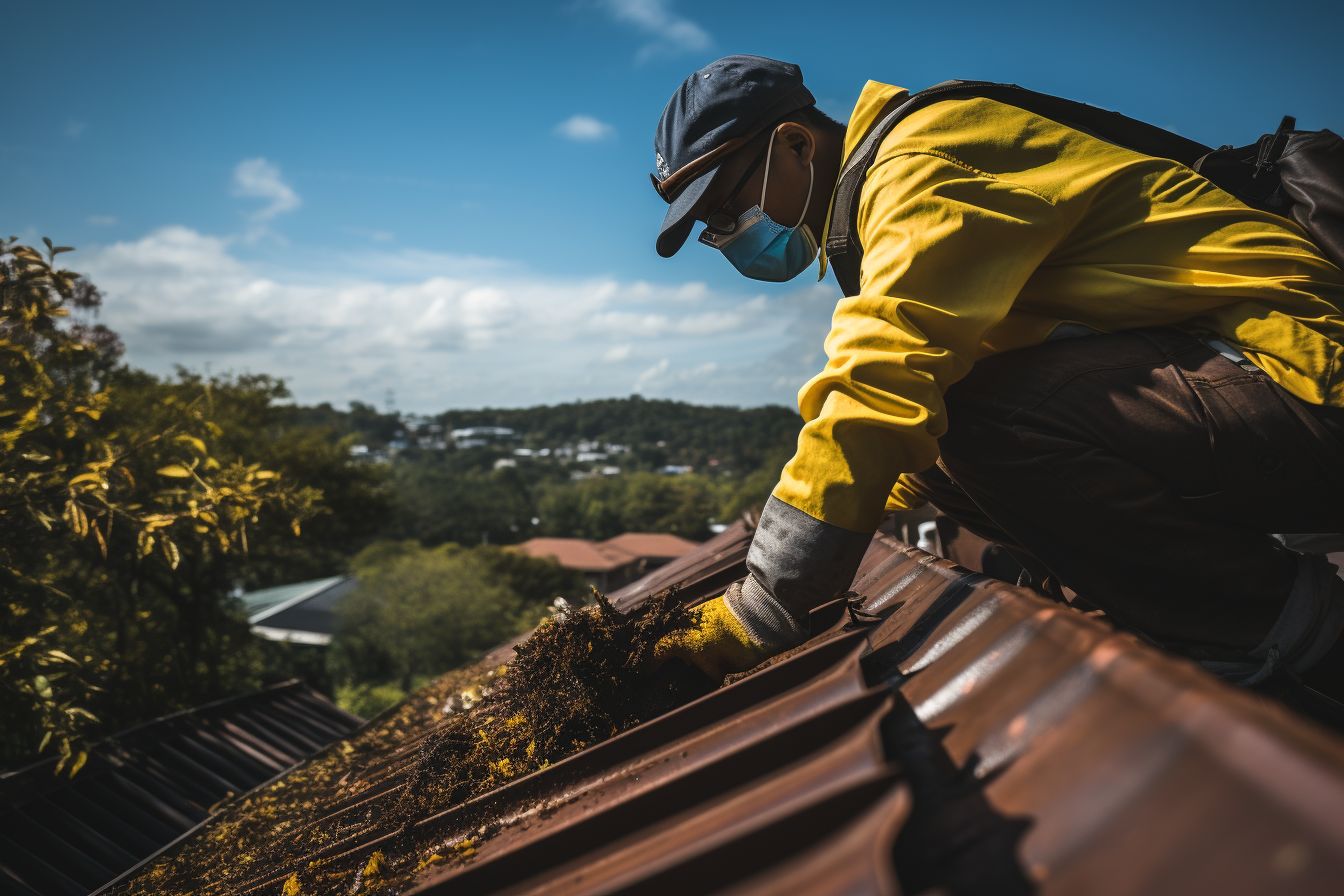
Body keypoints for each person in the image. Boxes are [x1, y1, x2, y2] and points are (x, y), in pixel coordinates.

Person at [648, 55, 1344, 689]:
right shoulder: (885, 191)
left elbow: (879, 381)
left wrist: (764, 604)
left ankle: (1285, 633)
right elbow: (900, 420)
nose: (728, 236)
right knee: (945, 440)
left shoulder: (920, 166)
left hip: (1300, 371)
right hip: (1242, 383)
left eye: (725, 210)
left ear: (795, 145)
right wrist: (856, 513)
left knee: (978, 415)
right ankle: (1186, 603)